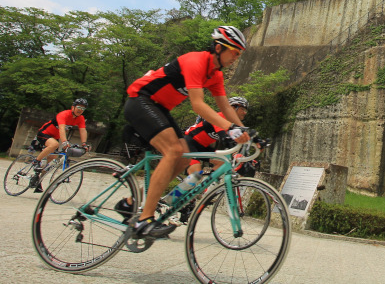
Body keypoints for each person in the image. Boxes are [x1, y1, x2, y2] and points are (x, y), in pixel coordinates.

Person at [119, 26, 251, 238]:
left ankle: (131, 204)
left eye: (239, 54)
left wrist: (248, 133)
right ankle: (144, 220)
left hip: (159, 108)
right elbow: (198, 105)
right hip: (141, 99)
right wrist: (230, 128)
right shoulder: (196, 61)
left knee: (182, 158)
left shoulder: (215, 75)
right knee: (173, 150)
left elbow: (226, 108)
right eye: (234, 52)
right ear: (219, 47)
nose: (236, 57)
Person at [31, 98, 90, 192]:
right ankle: (36, 161)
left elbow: (82, 130)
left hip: (55, 137)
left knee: (51, 160)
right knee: (54, 144)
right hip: (44, 133)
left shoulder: (80, 118)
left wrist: (84, 144)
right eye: (78, 107)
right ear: (73, 107)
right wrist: (64, 142)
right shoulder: (64, 114)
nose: (80, 110)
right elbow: (61, 129)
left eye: (83, 108)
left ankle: (38, 181)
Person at [184, 96, 250, 176]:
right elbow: (225, 137)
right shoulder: (220, 117)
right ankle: (191, 187)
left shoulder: (233, 124)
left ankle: (209, 186)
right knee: (196, 173)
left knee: (222, 162)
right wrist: (235, 154)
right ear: (233, 108)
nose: (245, 112)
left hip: (203, 146)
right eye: (242, 109)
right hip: (189, 142)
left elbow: (239, 140)